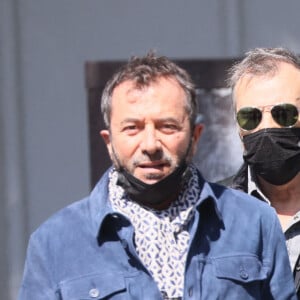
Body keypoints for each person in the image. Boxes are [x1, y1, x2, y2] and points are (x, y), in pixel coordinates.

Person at [18, 52, 297, 299]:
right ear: (108, 141)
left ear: (195, 136)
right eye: (132, 128)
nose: (150, 144)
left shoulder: (255, 222)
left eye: (167, 126)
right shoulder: (54, 243)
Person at [221, 47, 300, 297]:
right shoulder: (209, 212)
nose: (267, 127)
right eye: (250, 117)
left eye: (283, 114)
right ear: (238, 127)